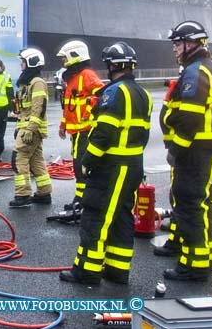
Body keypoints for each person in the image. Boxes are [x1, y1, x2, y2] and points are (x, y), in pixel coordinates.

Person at [60, 42, 151, 285]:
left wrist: (88, 161)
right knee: (121, 218)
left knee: (96, 216)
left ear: (112, 65)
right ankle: (117, 269)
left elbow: (103, 132)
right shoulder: (143, 94)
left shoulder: (114, 92)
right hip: (132, 165)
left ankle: (87, 271)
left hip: (111, 167)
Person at [157, 20, 212, 281]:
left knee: (190, 204)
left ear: (191, 43)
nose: (175, 49)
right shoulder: (209, 68)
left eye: (177, 44)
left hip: (195, 151)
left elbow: (189, 118)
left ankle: (194, 266)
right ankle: (204, 258)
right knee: (201, 203)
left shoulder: (196, 72)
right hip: (206, 149)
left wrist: (176, 149)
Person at [56, 40, 104, 211]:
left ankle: (83, 199)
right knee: (78, 164)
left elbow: (101, 95)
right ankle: (81, 198)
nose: (63, 61)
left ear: (74, 55)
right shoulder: (72, 77)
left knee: (81, 164)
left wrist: (88, 112)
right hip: (76, 130)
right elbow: (69, 107)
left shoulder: (87, 75)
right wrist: (63, 125)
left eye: (65, 58)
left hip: (86, 129)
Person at [9, 48, 52, 207]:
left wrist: (30, 129)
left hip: (30, 129)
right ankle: (44, 193)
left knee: (19, 159)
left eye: (23, 62)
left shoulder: (37, 83)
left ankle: (23, 194)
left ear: (31, 63)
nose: (21, 65)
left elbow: (38, 108)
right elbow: (24, 109)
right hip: (27, 127)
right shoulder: (28, 82)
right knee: (36, 161)